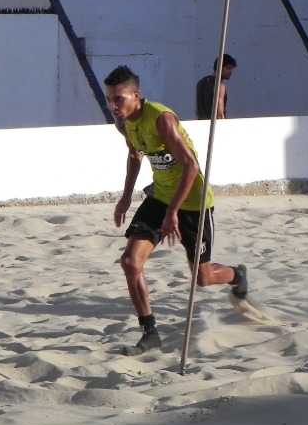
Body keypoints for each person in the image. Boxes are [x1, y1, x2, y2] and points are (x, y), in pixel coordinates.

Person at [105, 65, 248, 356]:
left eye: (118, 99)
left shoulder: (161, 119)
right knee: (131, 262)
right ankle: (150, 333)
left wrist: (174, 212)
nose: (113, 106)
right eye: (109, 99)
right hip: (159, 198)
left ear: (136, 95)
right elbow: (135, 155)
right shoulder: (125, 123)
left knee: (204, 277)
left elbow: (192, 166)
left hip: (193, 202)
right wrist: (126, 197)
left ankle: (236, 275)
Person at [196, 53, 237, 120]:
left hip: (201, 125)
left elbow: (197, 111)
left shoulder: (201, 82)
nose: (231, 72)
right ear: (219, 67)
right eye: (228, 68)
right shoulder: (220, 85)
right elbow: (219, 114)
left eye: (232, 69)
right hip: (215, 127)